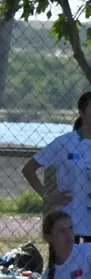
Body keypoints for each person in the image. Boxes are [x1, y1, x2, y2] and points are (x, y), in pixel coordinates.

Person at [22, 91, 91, 243]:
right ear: (81, 112)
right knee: (69, 265)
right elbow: (28, 169)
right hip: (70, 224)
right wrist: (46, 195)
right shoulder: (65, 142)